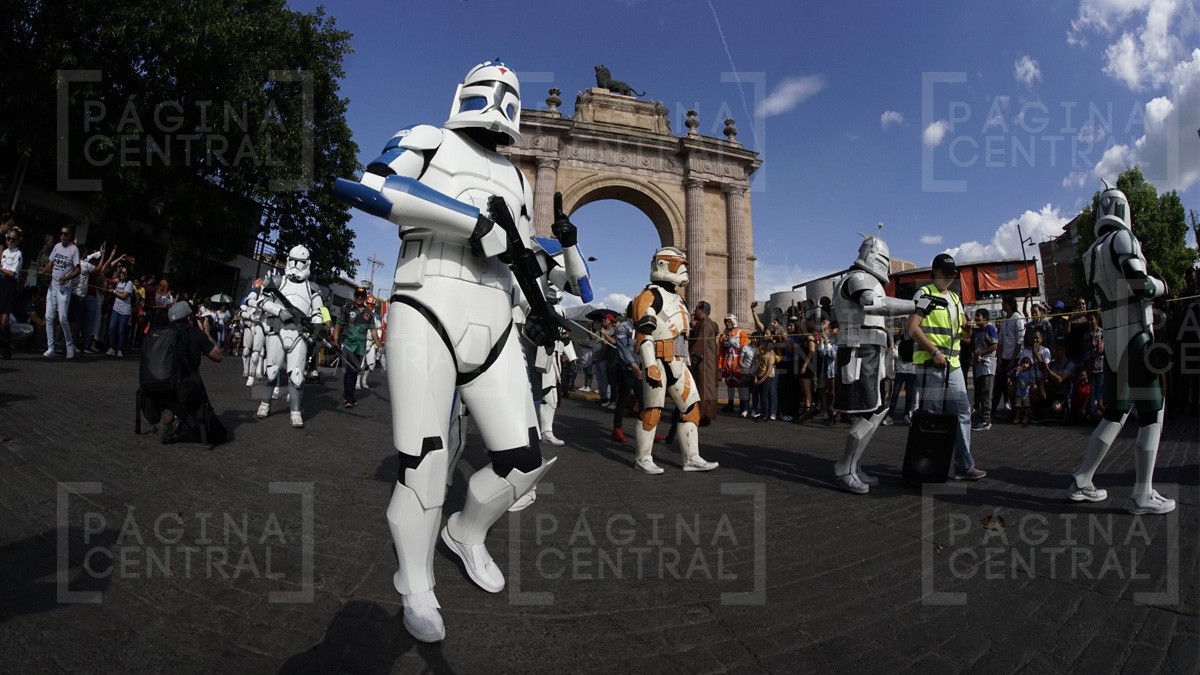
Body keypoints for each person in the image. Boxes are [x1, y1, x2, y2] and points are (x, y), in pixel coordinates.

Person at [332, 61, 578, 642]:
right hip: (426, 307)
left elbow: (522, 250)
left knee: (522, 464)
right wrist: (469, 223)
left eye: (508, 95)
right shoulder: (427, 138)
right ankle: (414, 581)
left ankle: (465, 531)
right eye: (489, 91)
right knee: (425, 460)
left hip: (493, 321)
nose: (497, 102)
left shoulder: (517, 177)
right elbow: (367, 187)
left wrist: (555, 262)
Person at [1068, 183, 1173, 515]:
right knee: (1152, 413)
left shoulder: (1090, 252)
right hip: (1135, 336)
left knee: (1116, 411)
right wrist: (1163, 286)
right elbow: (1140, 285)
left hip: (1112, 340)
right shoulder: (1122, 240)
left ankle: (1083, 478)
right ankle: (1142, 494)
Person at [831, 235, 938, 493]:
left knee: (877, 410)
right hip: (858, 353)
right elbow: (873, 304)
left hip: (871, 353)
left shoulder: (865, 279)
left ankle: (853, 465)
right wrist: (914, 305)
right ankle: (845, 467)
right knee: (867, 411)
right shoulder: (857, 278)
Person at [629, 248, 719, 474]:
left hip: (679, 359)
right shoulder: (649, 295)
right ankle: (643, 457)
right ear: (662, 265)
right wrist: (649, 364)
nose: (684, 269)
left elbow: (682, 334)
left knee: (690, 409)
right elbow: (644, 332)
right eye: (679, 264)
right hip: (657, 359)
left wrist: (685, 361)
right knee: (652, 410)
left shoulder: (679, 299)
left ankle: (692, 457)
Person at [907, 253, 986, 481]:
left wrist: (967, 332)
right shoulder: (925, 294)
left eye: (953, 273)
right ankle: (926, 468)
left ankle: (964, 465)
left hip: (952, 364)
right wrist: (934, 351)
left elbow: (961, 334)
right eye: (946, 272)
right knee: (930, 416)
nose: (950, 276)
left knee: (962, 412)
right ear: (935, 272)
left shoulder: (954, 297)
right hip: (931, 363)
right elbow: (912, 327)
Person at [254, 247, 325, 428]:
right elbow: (261, 301)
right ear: (288, 260)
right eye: (294, 261)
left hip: (299, 333)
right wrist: (279, 311)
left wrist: (315, 326)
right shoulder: (277, 281)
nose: (297, 266)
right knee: (271, 370)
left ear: (308, 263)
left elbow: (317, 311)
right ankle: (265, 404)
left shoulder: (312, 288)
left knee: (297, 375)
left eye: (301, 262)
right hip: (277, 330)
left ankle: (295, 411)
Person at [153, 301, 224, 442]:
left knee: (174, 393)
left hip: (160, 382)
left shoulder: (164, 333)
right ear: (189, 318)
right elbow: (218, 356)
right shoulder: (195, 334)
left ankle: (171, 414)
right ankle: (184, 419)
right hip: (187, 385)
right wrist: (207, 332)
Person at [333, 288, 380, 409]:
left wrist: (378, 344)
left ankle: (350, 395)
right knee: (349, 371)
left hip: (360, 347)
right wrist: (336, 340)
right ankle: (348, 397)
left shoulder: (368, 313)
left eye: (362, 296)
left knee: (355, 371)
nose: (360, 298)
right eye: (358, 295)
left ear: (364, 297)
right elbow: (339, 324)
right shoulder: (346, 308)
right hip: (348, 345)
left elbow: (373, 330)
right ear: (354, 296)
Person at [40, 224, 81, 359]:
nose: (63, 236)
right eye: (61, 233)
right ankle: (50, 347)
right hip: (52, 287)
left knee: (63, 318)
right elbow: (51, 264)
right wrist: (43, 270)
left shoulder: (74, 250)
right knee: (49, 317)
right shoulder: (57, 247)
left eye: (66, 234)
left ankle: (69, 344)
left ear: (70, 236)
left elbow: (78, 269)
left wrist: (67, 277)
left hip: (64, 289)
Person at [690, 301, 721, 425]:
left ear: (701, 310)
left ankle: (703, 416)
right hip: (706, 362)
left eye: (696, 308)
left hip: (705, 363)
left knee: (703, 389)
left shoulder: (706, 324)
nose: (694, 311)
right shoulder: (704, 323)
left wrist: (691, 358)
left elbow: (699, 344)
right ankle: (703, 414)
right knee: (704, 389)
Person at [969, 308, 998, 431]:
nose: (976, 318)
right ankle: (981, 415)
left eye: (979, 316)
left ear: (985, 318)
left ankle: (987, 419)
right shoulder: (977, 331)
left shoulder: (990, 329)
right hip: (979, 364)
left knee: (987, 392)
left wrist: (980, 352)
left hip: (988, 364)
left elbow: (994, 346)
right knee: (980, 392)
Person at [718, 314, 749, 413]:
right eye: (726, 321)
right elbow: (721, 353)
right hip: (727, 363)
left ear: (734, 322)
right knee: (729, 385)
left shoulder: (741, 334)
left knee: (740, 385)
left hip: (737, 363)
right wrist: (720, 366)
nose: (727, 323)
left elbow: (745, 349)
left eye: (729, 321)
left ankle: (742, 407)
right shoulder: (723, 336)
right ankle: (730, 404)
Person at [0, 226, 23, 359]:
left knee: (5, 319)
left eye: (13, 239)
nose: (10, 241)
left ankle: (6, 349)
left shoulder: (18, 254)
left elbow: (12, 272)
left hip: (9, 285)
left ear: (18, 241)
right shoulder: (5, 252)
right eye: (8, 238)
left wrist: (1, 269)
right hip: (2, 283)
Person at [104, 266, 134, 357]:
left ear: (128, 275)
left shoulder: (129, 283)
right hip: (116, 309)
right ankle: (112, 347)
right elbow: (109, 279)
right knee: (111, 327)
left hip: (125, 311)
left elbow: (124, 296)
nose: (122, 274)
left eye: (124, 273)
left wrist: (113, 292)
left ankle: (120, 349)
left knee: (121, 330)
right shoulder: (118, 281)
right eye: (121, 272)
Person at [1008, 356, 1037, 425]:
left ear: (1029, 365)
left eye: (1027, 363)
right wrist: (1015, 370)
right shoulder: (1019, 372)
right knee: (1018, 406)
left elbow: (1032, 380)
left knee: (1026, 406)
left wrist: (1032, 382)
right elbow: (1010, 375)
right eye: (1023, 363)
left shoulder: (1029, 373)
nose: (1025, 365)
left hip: (1026, 393)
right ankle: (1017, 417)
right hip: (1019, 393)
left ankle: (1025, 417)